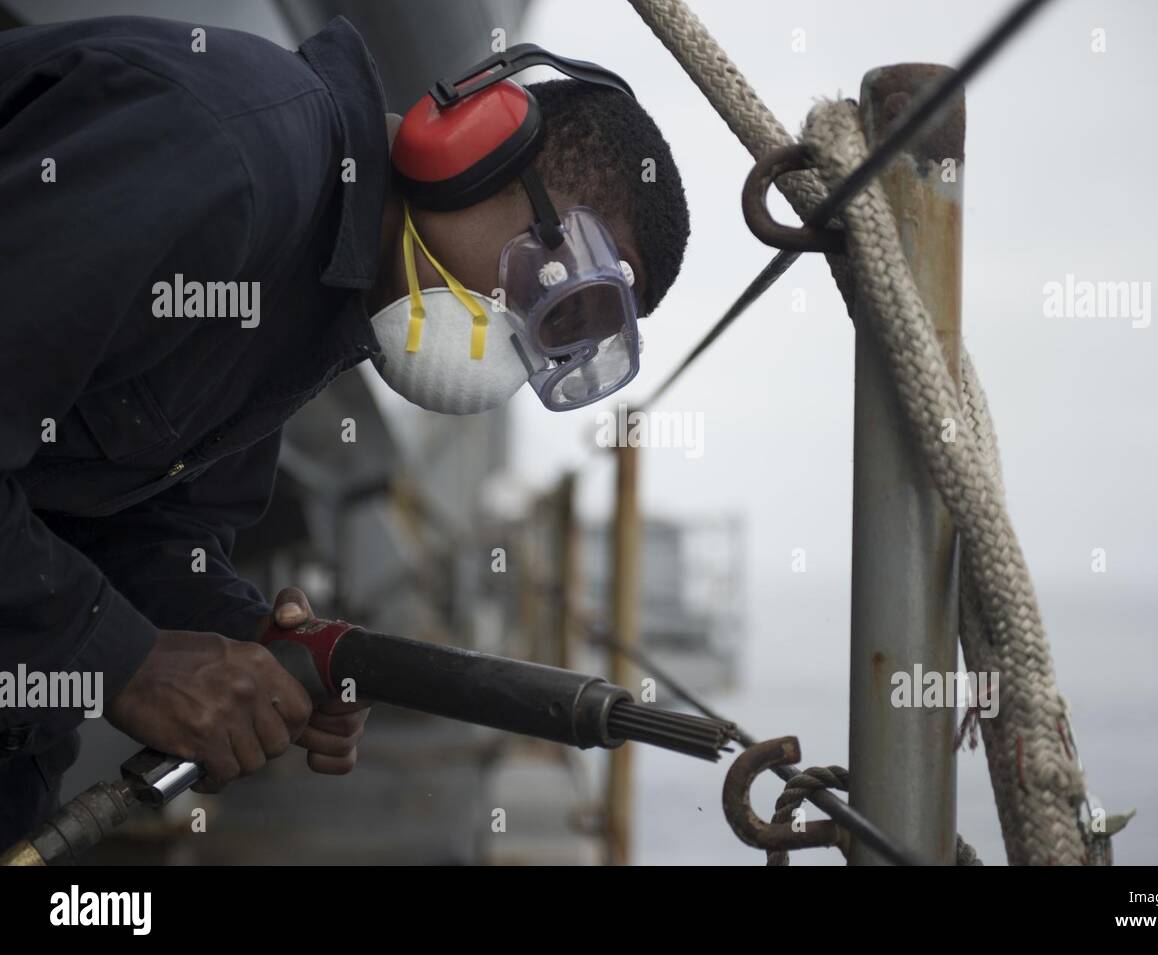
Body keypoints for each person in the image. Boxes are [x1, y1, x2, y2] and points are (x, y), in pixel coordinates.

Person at [0, 14, 689, 847]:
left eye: (560, 329)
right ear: (474, 147)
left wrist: (251, 640)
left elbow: (143, 523)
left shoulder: (321, 294)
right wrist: (125, 661)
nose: (522, 337)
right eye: (553, 285)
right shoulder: (229, 164)